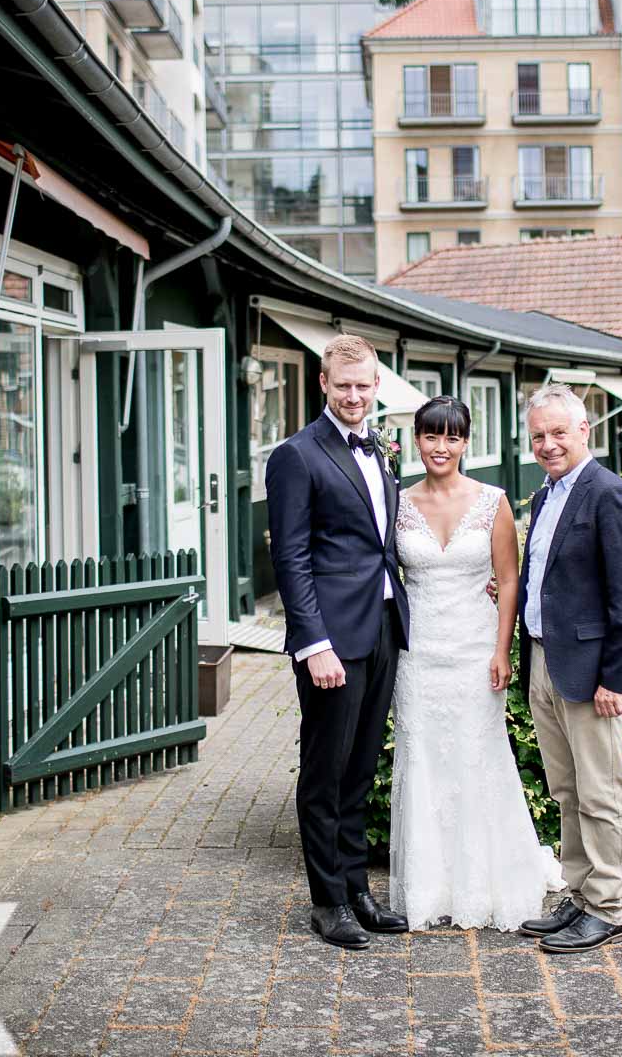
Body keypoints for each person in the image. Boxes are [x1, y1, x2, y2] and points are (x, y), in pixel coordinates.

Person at [389, 396, 561, 931]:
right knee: (422, 760)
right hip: (416, 655)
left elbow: (508, 580)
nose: (442, 448)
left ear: (467, 442)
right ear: (416, 439)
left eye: (453, 437)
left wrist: (501, 649)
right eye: (432, 436)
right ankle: (429, 885)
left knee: (478, 758)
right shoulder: (395, 502)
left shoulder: (493, 501)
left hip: (473, 651)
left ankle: (488, 879)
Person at [265, 334, 410, 950]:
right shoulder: (296, 455)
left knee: (359, 769)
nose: (353, 396)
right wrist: (312, 642)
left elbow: (380, 540)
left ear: (377, 386)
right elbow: (291, 558)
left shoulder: (377, 448)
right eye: (342, 385)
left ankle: (357, 889)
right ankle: (327, 902)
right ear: (323, 384)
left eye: (364, 385)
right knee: (325, 771)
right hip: (332, 636)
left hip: (381, 623)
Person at [514, 383, 622, 953]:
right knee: (567, 790)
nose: (548, 444)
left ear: (584, 432)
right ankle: (579, 895)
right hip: (546, 660)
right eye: (539, 436)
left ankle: (609, 908)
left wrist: (615, 679)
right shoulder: (546, 495)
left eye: (558, 433)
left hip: (590, 672)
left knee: (600, 792)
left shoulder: (608, 494)